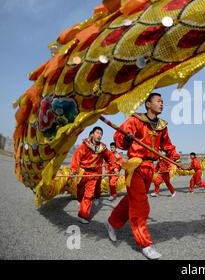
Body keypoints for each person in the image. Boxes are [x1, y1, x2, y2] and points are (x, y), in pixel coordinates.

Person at [105, 92, 186, 260]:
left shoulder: (162, 126)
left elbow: (168, 146)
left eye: (163, 102)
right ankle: (145, 244)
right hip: (135, 165)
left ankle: (112, 222)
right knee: (141, 204)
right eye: (158, 101)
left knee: (132, 200)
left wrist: (176, 159)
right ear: (148, 104)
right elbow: (118, 137)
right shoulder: (135, 120)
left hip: (150, 167)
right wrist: (127, 139)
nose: (162, 104)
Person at [70, 127, 119, 224]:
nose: (99, 135)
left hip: (94, 174)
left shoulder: (103, 148)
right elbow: (77, 157)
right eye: (97, 133)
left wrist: (115, 168)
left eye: (101, 134)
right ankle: (80, 200)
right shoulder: (85, 145)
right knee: (80, 190)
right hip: (83, 172)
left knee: (88, 195)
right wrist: (73, 170)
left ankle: (82, 215)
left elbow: (110, 158)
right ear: (92, 134)